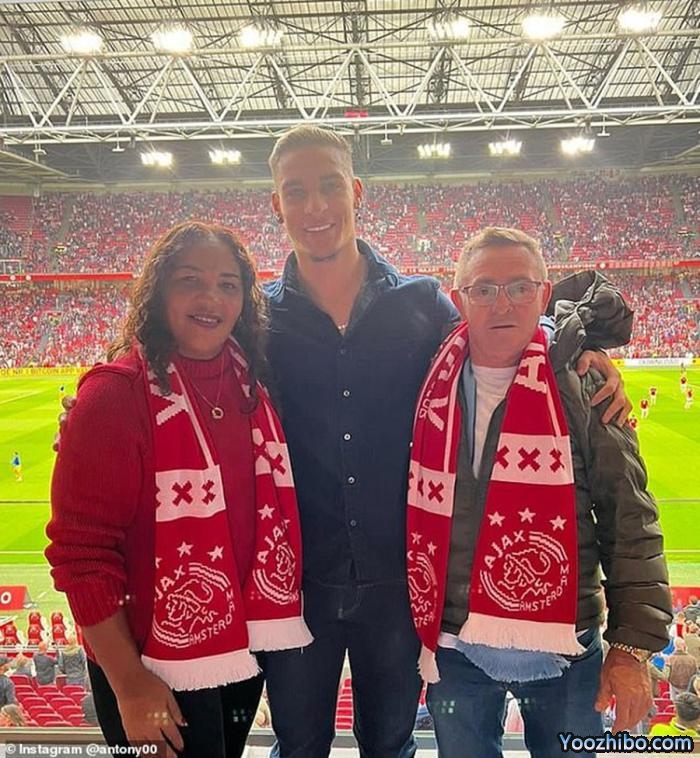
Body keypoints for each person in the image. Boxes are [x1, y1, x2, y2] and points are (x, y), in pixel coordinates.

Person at [258, 126, 632, 758]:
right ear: (277, 204)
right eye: (296, 191)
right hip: (299, 583)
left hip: (400, 585)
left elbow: (505, 322)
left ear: (356, 192)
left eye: (329, 186)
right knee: (297, 746)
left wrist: (582, 350)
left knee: (391, 745)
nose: (315, 206)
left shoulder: (422, 304)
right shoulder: (260, 317)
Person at [47, 221, 311, 758]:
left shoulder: (253, 385)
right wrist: (129, 683)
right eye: (190, 280)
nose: (210, 298)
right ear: (158, 291)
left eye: (228, 284)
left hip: (238, 648)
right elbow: (81, 555)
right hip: (148, 664)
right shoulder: (114, 396)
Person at [406, 227, 672, 758]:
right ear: (459, 299)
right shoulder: (425, 380)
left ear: (544, 293)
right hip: (454, 648)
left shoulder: (581, 381)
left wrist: (631, 647)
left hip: (566, 650)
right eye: (484, 289)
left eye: (520, 287)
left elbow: (629, 517)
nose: (502, 304)